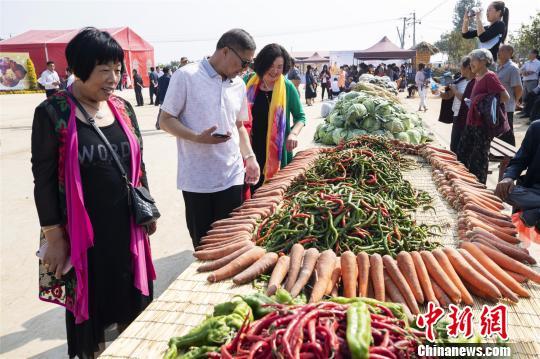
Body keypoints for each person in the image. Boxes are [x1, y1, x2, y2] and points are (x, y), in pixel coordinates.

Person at [31, 27, 156, 359]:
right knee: (92, 315)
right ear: (78, 68)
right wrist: (55, 237)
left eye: (117, 69)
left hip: (127, 229)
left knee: (134, 304)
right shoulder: (53, 112)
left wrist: (148, 207)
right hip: (82, 238)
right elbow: (42, 180)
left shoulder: (123, 108)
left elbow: (138, 162)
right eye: (104, 70)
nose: (114, 77)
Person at [158, 28, 260, 248]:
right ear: (225, 51)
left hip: (231, 175)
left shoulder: (239, 85)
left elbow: (239, 125)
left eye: (249, 64)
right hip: (198, 181)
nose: (245, 70)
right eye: (243, 62)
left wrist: (250, 157)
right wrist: (196, 137)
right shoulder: (186, 76)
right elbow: (165, 120)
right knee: (204, 246)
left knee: (231, 243)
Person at [244, 43, 306, 191]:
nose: (275, 71)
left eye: (279, 66)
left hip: (279, 152)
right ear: (262, 64)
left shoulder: (288, 87)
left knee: (275, 196)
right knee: (250, 195)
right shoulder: (248, 82)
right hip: (251, 149)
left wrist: (293, 134)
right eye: (271, 66)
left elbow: (300, 117)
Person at [457, 48, 510, 184]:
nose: (471, 64)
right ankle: (465, 183)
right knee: (463, 152)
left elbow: (505, 97)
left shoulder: (490, 76)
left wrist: (482, 100)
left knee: (478, 159)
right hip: (472, 122)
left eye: (473, 60)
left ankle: (478, 187)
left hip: (482, 126)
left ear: (483, 61)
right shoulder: (477, 77)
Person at [495, 120, 540, 229]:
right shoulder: (537, 128)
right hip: (532, 192)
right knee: (505, 191)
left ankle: (534, 213)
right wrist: (508, 177)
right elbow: (520, 159)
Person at [446, 56, 475, 153]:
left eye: (461, 67)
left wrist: (454, 90)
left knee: (460, 146)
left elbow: (466, 99)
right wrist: (439, 93)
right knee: (454, 145)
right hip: (457, 115)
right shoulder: (460, 80)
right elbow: (448, 95)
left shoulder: (475, 82)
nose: (460, 69)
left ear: (467, 67)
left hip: (466, 117)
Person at [496, 44, 522, 146]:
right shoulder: (500, 67)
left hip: (507, 106)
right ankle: (503, 157)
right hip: (499, 105)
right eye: (499, 50)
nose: (499, 53)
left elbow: (519, 88)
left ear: (509, 53)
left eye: (502, 50)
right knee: (501, 132)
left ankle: (511, 157)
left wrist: (515, 102)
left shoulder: (512, 68)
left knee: (508, 133)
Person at [520, 49, 540, 114]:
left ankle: (530, 112)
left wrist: (524, 72)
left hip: (533, 81)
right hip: (525, 81)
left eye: (530, 53)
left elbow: (532, 71)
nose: (529, 54)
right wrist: (524, 72)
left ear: (535, 54)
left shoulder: (538, 63)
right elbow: (520, 70)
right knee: (524, 97)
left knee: (531, 97)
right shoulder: (527, 62)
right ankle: (525, 111)